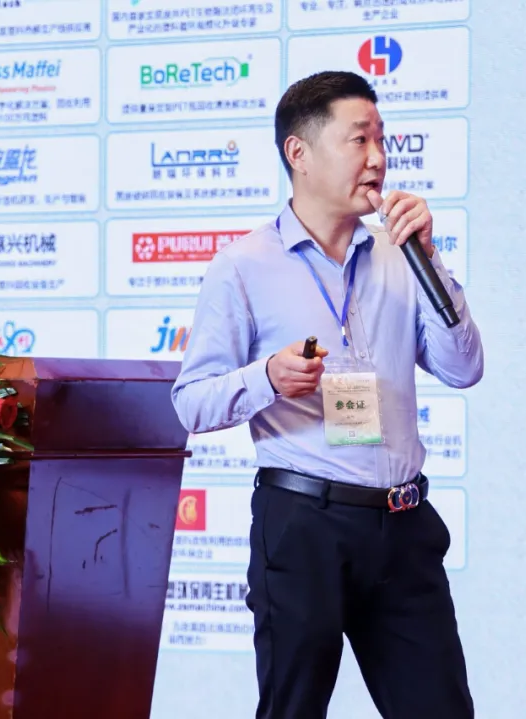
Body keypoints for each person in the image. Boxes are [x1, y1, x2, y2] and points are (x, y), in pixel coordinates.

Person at [170, 70, 484, 719]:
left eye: (382, 140)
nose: (378, 158)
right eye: (359, 139)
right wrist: (267, 378)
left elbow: (464, 368)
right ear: (300, 153)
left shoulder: (403, 255)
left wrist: (430, 257)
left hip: (403, 528)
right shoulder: (244, 266)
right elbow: (190, 401)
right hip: (303, 526)